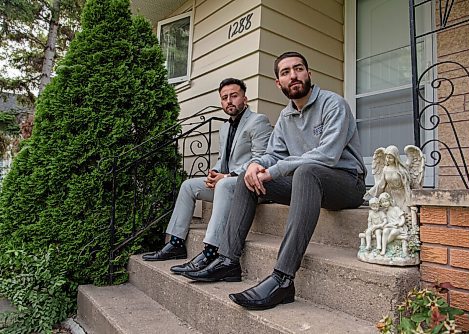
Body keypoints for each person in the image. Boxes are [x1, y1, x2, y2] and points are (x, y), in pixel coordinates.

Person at [182, 51, 367, 310]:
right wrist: (254, 166)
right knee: (246, 180)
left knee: (306, 171)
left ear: (309, 74)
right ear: (278, 83)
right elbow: (272, 154)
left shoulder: (333, 104)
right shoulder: (285, 117)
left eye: (299, 69)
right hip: (308, 185)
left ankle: (282, 279)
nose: (293, 75)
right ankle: (228, 261)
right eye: (285, 72)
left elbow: (327, 155)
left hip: (347, 182)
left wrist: (275, 170)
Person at [142, 78, 273, 276]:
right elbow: (223, 159)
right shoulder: (225, 127)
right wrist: (214, 173)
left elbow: (261, 159)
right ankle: (176, 243)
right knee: (188, 185)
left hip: (249, 185)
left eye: (234, 96)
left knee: (224, 185)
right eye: (224, 98)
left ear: (245, 98)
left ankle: (210, 252)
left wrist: (227, 175)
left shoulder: (258, 121)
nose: (229, 101)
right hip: (226, 183)